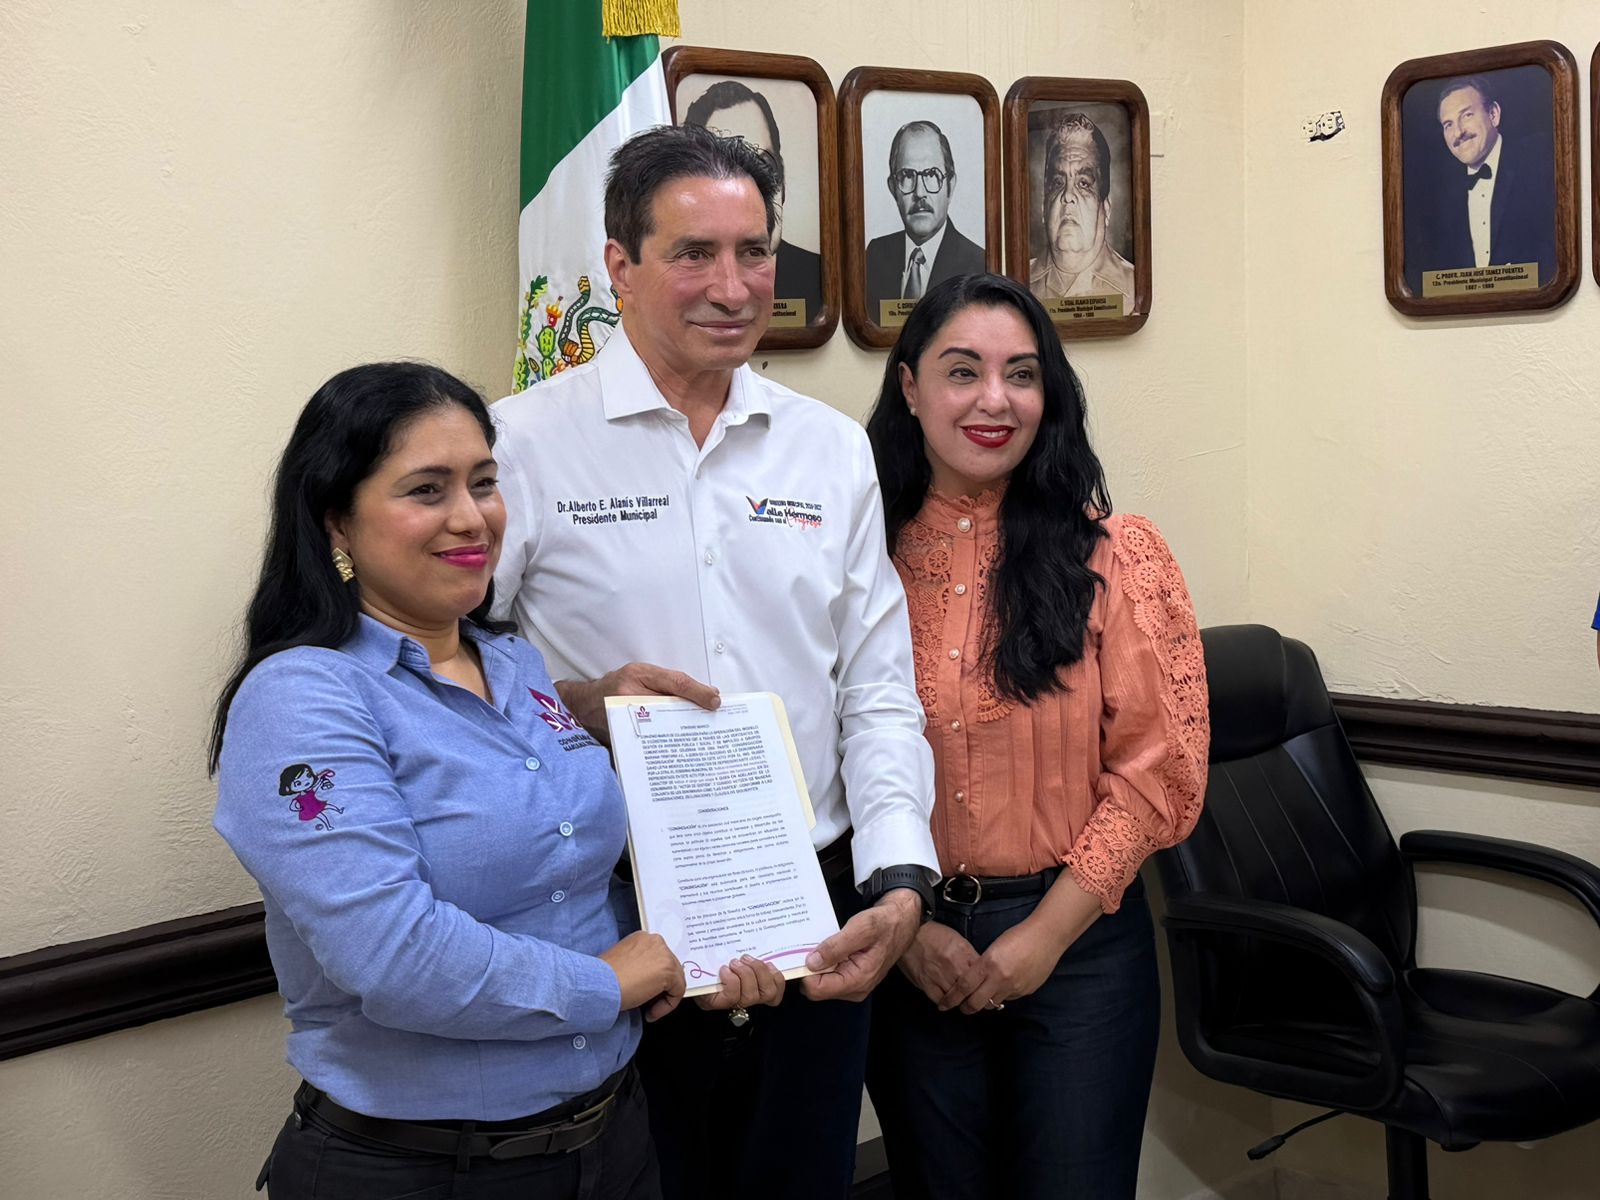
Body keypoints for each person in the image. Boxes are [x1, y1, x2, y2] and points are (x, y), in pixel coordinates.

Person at [491, 123, 940, 1199]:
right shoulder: (520, 445)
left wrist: (898, 879)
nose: (733, 287)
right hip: (613, 915)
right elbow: (450, 685)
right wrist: (580, 703)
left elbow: (877, 688)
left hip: (811, 905)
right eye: (694, 253)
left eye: (754, 252)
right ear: (620, 265)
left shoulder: (828, 448)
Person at [209, 362, 783, 1199]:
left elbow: (571, 883)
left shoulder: (516, 665)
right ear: (336, 518)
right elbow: (393, 955)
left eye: (483, 482)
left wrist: (698, 952)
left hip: (613, 1138)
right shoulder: (303, 698)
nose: (471, 516)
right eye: (426, 490)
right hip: (425, 1170)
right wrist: (606, 984)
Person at [862, 273, 1210, 1200]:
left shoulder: (1115, 555)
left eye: (1021, 374)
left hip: (1079, 951)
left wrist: (1044, 937)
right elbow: (827, 757)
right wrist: (908, 930)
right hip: (907, 944)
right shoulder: (858, 561)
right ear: (910, 387)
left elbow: (1156, 770)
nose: (995, 399)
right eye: (962, 371)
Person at [683, 78, 824, 321]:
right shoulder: (679, 280)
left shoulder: (816, 275)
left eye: (764, 166)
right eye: (728, 170)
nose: (751, 191)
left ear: (783, 180)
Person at [1405, 74, 1557, 294]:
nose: (1458, 133)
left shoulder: (1541, 160)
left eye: (1466, 115)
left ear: (1493, 114)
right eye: (1448, 124)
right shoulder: (1440, 198)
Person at [864, 119, 986, 313]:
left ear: (950, 185)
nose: (919, 192)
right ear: (893, 188)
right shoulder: (873, 256)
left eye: (931, 175)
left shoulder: (980, 265)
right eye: (907, 176)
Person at [1028, 111, 1135, 303]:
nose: (1068, 196)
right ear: (1044, 207)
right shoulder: (1019, 283)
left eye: (1083, 183)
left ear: (1106, 209)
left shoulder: (1134, 286)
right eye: (1058, 182)